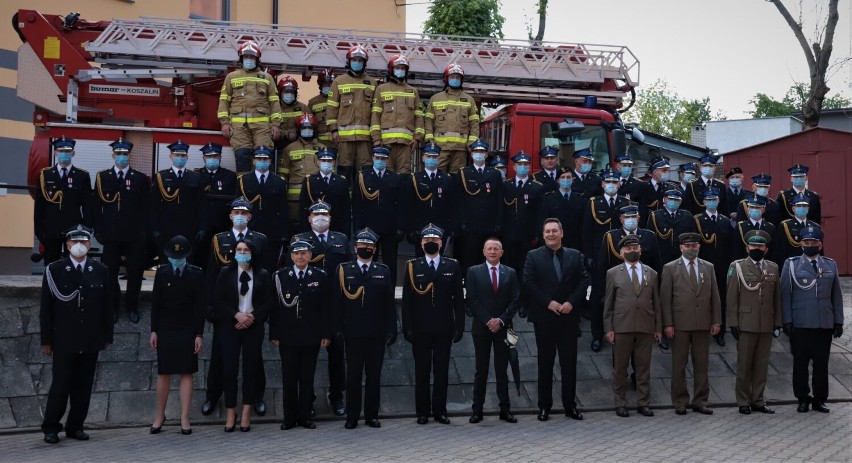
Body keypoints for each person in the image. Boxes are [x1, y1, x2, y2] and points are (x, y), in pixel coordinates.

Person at [39, 225, 112, 444]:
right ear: (67, 245)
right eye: (74, 243)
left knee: (84, 385)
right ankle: (51, 427)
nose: (79, 246)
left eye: (84, 243)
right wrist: (46, 340)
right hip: (64, 338)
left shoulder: (100, 270)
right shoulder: (54, 270)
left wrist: (106, 336)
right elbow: (46, 309)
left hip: (90, 338)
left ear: (89, 245)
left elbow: (107, 306)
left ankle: (76, 426)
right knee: (60, 385)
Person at [202, 198, 271, 417]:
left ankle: (256, 397)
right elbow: (211, 274)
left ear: (250, 216)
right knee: (219, 358)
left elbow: (264, 275)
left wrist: (256, 314)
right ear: (230, 215)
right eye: (236, 211)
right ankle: (213, 396)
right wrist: (212, 308)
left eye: (244, 212)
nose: (240, 215)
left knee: (254, 360)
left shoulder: (259, 239)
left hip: (251, 311)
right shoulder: (219, 239)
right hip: (226, 312)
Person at [523, 218, 589, 422]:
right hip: (544, 317)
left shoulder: (575, 255)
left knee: (569, 364)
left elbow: (584, 280)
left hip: (568, 317)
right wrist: (548, 302)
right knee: (545, 364)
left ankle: (570, 406)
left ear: (562, 233)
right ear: (543, 235)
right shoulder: (533, 256)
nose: (551, 234)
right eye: (547, 232)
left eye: (554, 231)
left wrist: (571, 302)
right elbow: (528, 282)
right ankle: (544, 407)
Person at [290, 200, 350, 416]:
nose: (320, 217)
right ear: (309, 218)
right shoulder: (300, 240)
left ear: (331, 218)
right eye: (316, 215)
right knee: (308, 358)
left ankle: (337, 397)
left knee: (337, 357)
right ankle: (309, 399)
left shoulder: (341, 239)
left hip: (335, 305)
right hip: (309, 307)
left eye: (324, 214)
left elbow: (348, 269)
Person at [333, 228, 397, 429]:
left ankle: (371, 415)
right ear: (355, 248)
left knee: (374, 376)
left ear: (375, 248)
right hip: (352, 333)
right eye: (362, 246)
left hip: (376, 333)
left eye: (369, 246)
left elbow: (389, 304)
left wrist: (391, 329)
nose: (366, 249)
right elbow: (337, 303)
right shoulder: (344, 270)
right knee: (353, 376)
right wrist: (337, 329)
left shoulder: (383, 270)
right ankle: (352, 416)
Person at [402, 224, 465, 425]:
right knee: (421, 372)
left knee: (441, 372)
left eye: (434, 241)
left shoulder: (452, 265)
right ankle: (422, 412)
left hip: (443, 328)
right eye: (427, 241)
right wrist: (408, 327)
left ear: (441, 243)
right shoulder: (413, 266)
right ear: (421, 243)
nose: (431, 243)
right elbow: (407, 301)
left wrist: (459, 326)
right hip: (420, 329)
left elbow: (458, 300)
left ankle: (440, 411)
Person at [781, 226, 844, 413]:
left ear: (820, 244)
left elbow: (836, 295)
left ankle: (819, 399)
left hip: (823, 323)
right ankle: (802, 398)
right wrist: (787, 321)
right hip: (800, 323)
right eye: (807, 243)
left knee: (821, 365)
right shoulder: (791, 264)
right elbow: (785, 294)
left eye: (814, 243)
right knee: (800, 364)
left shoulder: (830, 264)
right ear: (801, 245)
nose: (810, 245)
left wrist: (838, 321)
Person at [270, 240, 331, 430]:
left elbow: (325, 309)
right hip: (288, 336)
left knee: (307, 378)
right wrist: (275, 332)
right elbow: (275, 309)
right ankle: (289, 418)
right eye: (296, 254)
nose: (300, 257)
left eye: (304, 253)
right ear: (291, 256)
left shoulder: (320, 276)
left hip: (311, 335)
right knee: (289, 378)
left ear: (310, 256)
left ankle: (304, 417)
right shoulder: (280, 276)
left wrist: (325, 334)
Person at [214, 238, 273, 433]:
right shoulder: (226, 273)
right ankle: (231, 412)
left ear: (252, 253)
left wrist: (252, 317)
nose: (241, 252)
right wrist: (236, 315)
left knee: (251, 369)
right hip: (230, 326)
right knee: (229, 369)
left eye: (245, 249)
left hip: (253, 326)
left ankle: (246, 412)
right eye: (238, 249)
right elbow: (218, 300)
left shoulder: (263, 274)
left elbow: (267, 303)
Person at [149, 235, 205, 435]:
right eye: (173, 255)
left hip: (187, 328)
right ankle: (160, 414)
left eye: (179, 255)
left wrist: (199, 333)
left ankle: (184, 417)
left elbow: (200, 306)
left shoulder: (196, 274)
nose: (176, 258)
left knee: (186, 371)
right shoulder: (162, 273)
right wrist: (153, 330)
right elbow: (155, 304)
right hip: (165, 327)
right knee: (164, 372)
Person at [660, 232, 722, 416]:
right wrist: (668, 324)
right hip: (679, 324)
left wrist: (716, 320)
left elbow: (715, 297)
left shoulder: (708, 267)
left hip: (703, 322)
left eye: (694, 246)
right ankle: (680, 401)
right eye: (688, 246)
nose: (691, 248)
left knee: (702, 365)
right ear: (681, 247)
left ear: (699, 247)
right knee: (679, 365)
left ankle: (701, 401)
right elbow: (665, 299)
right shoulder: (670, 268)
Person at [91, 138, 149, 323]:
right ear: (113, 155)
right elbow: (96, 206)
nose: (122, 157)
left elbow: (146, 208)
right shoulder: (103, 177)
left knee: (135, 273)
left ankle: (132, 306)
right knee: (110, 273)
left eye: (125, 154)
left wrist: (143, 233)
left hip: (133, 236)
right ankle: (113, 307)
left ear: (129, 155)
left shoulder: (139, 178)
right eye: (118, 154)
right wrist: (98, 230)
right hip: (110, 235)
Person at [603, 235, 662, 418]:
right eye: (628, 249)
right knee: (621, 368)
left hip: (645, 325)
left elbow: (656, 302)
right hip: (622, 326)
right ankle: (620, 403)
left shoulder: (651, 272)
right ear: (621, 252)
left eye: (635, 248)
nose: (632, 251)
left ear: (640, 250)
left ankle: (643, 403)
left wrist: (658, 327)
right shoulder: (613, 273)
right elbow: (609, 303)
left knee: (643, 368)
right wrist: (608, 328)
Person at [466, 238, 521, 424]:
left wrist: (501, 320)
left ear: (501, 252)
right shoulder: (473, 272)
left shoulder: (511, 272)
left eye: (496, 248)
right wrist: (489, 320)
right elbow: (472, 299)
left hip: (505, 329)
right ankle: (477, 410)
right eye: (489, 248)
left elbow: (515, 300)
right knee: (480, 370)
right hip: (481, 328)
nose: (492, 251)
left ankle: (505, 410)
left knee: (502, 370)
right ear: (483, 251)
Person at [726, 230, 781, 415]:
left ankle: (758, 400)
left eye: (760, 246)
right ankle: (743, 401)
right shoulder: (738, 266)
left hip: (766, 323)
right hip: (746, 323)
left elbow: (777, 298)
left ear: (766, 249)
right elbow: (732, 296)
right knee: (744, 365)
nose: (756, 248)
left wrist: (778, 322)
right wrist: (733, 322)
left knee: (762, 364)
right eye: (753, 246)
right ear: (747, 247)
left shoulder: (773, 268)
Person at [218, 41, 281, 173]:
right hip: (239, 128)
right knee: (242, 157)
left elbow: (274, 102)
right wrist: (224, 123)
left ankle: (265, 191)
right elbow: (224, 101)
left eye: (251, 57)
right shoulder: (231, 77)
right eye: (246, 57)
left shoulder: (267, 78)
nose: (249, 60)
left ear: (257, 59)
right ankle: (243, 191)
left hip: (262, 128)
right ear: (241, 58)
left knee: (264, 158)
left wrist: (276, 125)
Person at [35, 136, 92, 265]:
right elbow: (39, 205)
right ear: (55, 152)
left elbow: (88, 204)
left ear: (73, 153)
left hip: (73, 228)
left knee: (73, 265)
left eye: (67, 151)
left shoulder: (82, 175)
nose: (64, 154)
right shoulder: (45, 174)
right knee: (51, 265)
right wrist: (38, 230)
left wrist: (86, 228)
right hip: (51, 228)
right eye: (61, 151)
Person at [150, 140, 207, 265]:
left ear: (187, 157)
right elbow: (153, 206)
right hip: (166, 229)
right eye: (177, 155)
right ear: (171, 157)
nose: (180, 158)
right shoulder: (161, 177)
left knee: (188, 264)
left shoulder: (195, 177)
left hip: (189, 229)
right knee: (166, 263)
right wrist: (154, 228)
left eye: (182, 155)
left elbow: (202, 205)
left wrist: (202, 228)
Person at [326, 45, 377, 181]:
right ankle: (344, 200)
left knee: (366, 172)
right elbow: (331, 108)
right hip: (344, 138)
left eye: (360, 60)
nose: (357, 63)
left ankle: (364, 200)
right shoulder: (338, 82)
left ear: (365, 63)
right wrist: (334, 130)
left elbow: (376, 111)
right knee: (344, 171)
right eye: (354, 59)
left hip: (365, 139)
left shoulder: (372, 83)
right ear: (349, 61)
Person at [352, 145, 403, 285]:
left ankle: (390, 293)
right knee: (368, 261)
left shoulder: (395, 178)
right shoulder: (363, 177)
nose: (380, 161)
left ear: (387, 160)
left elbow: (401, 205)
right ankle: (367, 288)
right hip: (368, 228)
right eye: (378, 158)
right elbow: (356, 204)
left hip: (389, 228)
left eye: (383, 158)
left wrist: (400, 227)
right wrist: (357, 227)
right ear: (373, 158)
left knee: (390, 263)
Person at [693, 188, 734, 347]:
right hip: (703, 266)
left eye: (714, 199)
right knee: (703, 299)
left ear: (718, 201)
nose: (711, 202)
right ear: (703, 202)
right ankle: (702, 328)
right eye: (708, 200)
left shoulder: (724, 221)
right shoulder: (697, 220)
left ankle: (720, 331)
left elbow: (729, 247)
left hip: (722, 267)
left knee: (721, 299)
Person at [371, 54, 424, 174]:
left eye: (403, 68)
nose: (400, 70)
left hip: (406, 144)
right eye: (397, 67)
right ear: (391, 69)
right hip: (385, 143)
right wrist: (376, 139)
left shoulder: (413, 91)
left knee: (404, 174)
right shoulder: (381, 89)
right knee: (385, 173)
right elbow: (375, 115)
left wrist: (417, 138)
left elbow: (418, 117)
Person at [455, 140, 503, 272]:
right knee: (469, 257)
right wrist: (461, 222)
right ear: (471, 154)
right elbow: (459, 200)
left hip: (488, 224)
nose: (479, 154)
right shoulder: (464, 173)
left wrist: (498, 222)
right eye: (476, 151)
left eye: (482, 151)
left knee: (487, 258)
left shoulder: (494, 173)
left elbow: (499, 200)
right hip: (469, 224)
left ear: (486, 154)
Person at [402, 142, 457, 257]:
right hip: (420, 228)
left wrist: (451, 228)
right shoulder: (415, 179)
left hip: (441, 228)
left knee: (440, 262)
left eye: (434, 157)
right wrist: (410, 229)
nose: (431, 159)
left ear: (438, 158)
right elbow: (408, 205)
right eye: (429, 156)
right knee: (420, 262)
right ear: (423, 157)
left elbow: (452, 206)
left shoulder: (447, 179)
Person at [424, 63, 480, 173]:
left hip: (460, 149)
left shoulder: (469, 100)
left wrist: (471, 144)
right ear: (446, 78)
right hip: (439, 148)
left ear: (461, 79)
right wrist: (429, 142)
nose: (455, 79)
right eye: (452, 77)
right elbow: (428, 121)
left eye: (458, 77)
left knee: (457, 178)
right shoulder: (435, 98)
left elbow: (474, 124)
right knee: (437, 175)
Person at [237, 145, 289, 263]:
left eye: (265, 159)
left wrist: (284, 233)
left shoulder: (279, 182)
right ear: (253, 161)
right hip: (249, 228)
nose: (262, 161)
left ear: (270, 161)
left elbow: (283, 209)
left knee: (269, 264)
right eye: (259, 159)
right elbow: (236, 208)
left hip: (271, 231)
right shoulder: (243, 181)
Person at [279, 113, 324, 232]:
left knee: (317, 224)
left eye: (310, 128)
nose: (307, 130)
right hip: (295, 198)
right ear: (299, 130)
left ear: (314, 130)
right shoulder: (290, 148)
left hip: (317, 196)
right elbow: (283, 175)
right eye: (304, 128)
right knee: (295, 225)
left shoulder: (323, 148)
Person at [196, 142, 237, 269]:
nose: (212, 159)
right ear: (204, 158)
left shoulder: (229, 176)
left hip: (222, 225)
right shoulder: (196, 176)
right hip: (201, 227)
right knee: (200, 259)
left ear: (220, 157)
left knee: (221, 260)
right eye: (209, 157)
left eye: (215, 156)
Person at [502, 151, 545, 273]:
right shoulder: (506, 185)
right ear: (514, 167)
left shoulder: (537, 187)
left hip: (528, 235)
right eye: (520, 164)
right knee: (509, 266)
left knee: (526, 267)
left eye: (526, 164)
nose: (523, 167)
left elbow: (540, 213)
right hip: (509, 234)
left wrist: (537, 234)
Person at [299, 147, 351, 236]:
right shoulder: (309, 181)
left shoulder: (341, 181)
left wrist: (346, 233)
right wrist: (305, 232)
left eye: (329, 161)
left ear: (334, 162)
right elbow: (303, 208)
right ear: (318, 162)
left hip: (336, 227)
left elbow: (346, 209)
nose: (326, 163)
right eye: (323, 160)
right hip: (314, 228)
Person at [538, 167, 587, 252]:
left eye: (568, 177)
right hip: (555, 243)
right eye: (562, 177)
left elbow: (584, 225)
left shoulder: (581, 199)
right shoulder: (549, 199)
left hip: (576, 244)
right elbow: (543, 223)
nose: (566, 180)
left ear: (573, 179)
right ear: (558, 180)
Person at [773, 194, 821, 262]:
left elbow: (820, 250)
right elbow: (780, 252)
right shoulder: (785, 225)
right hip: (792, 264)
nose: (802, 208)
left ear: (808, 208)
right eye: (799, 206)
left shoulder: (815, 226)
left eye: (804, 206)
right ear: (793, 208)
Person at [732, 194, 776, 262]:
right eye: (752, 207)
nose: (754, 210)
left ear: (763, 209)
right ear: (748, 209)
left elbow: (773, 251)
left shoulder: (770, 227)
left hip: (765, 265)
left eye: (757, 208)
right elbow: (736, 250)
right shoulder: (740, 226)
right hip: (745, 265)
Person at [615, 153, 649, 224]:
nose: (627, 168)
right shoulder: (612, 182)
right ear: (618, 166)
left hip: (630, 222)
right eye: (624, 165)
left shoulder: (639, 185)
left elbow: (642, 209)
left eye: (629, 166)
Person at [308, 68, 337, 148]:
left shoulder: (341, 100)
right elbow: (309, 123)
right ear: (320, 85)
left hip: (338, 142)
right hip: (320, 143)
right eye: (325, 83)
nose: (328, 86)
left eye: (331, 84)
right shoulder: (313, 102)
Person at [276, 76, 309, 143]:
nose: (289, 94)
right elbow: (269, 128)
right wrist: (286, 134)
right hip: (279, 146)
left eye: (292, 91)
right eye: (286, 91)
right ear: (280, 93)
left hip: (299, 145)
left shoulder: (303, 108)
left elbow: (311, 126)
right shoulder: (274, 108)